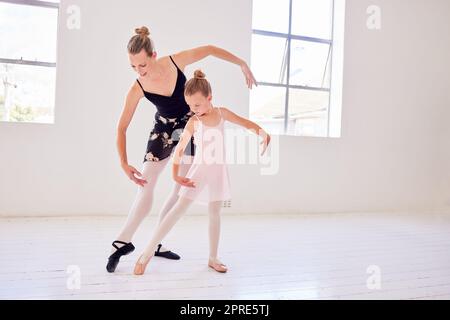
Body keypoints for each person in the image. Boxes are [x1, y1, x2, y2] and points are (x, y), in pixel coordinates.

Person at [106, 26, 257, 273]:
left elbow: (209, 49)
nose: (139, 72)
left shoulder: (176, 62)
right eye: (133, 67)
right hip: (164, 130)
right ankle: (121, 242)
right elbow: (121, 127)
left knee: (180, 188)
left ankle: (155, 243)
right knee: (146, 182)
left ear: (153, 55)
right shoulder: (137, 88)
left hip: (190, 126)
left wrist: (241, 62)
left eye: (142, 65)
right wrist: (123, 162)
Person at [133, 69, 270, 275]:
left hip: (218, 172)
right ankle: (147, 253)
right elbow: (179, 149)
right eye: (189, 105)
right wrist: (176, 175)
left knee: (215, 213)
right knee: (178, 210)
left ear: (209, 98)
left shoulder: (222, 113)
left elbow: (245, 123)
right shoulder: (194, 121)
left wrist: (263, 133)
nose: (193, 109)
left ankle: (213, 258)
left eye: (196, 105)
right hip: (199, 172)